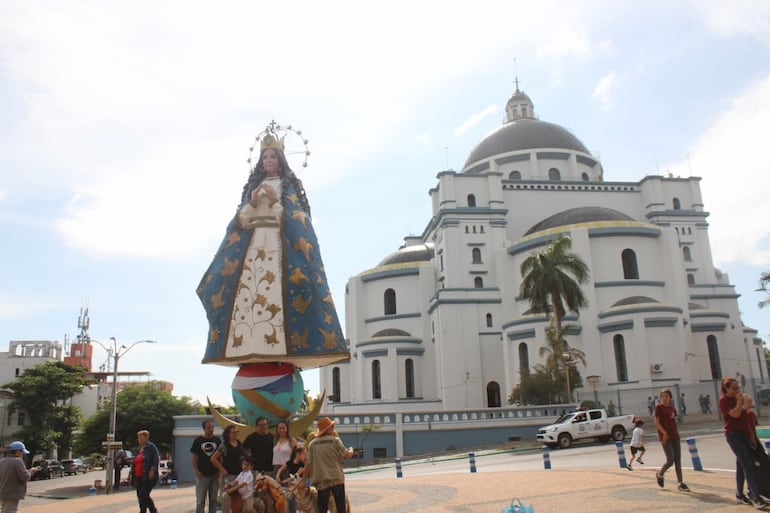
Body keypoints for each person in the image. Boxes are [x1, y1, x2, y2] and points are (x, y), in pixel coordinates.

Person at [719, 376, 767, 508]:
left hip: (744, 434)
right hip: (733, 435)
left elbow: (745, 418)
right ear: (727, 388)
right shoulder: (724, 401)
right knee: (748, 464)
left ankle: (740, 494)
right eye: (734, 388)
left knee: (741, 464)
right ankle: (755, 497)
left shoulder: (738, 398)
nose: (737, 390)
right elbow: (734, 415)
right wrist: (739, 401)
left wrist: (751, 436)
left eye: (738, 387)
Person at [306, 417, 353, 513]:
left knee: (322, 508)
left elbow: (308, 463)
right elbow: (346, 455)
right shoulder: (335, 440)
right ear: (327, 429)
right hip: (336, 478)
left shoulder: (312, 444)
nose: (333, 428)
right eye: (332, 426)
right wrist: (351, 450)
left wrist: (303, 480)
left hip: (322, 481)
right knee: (340, 507)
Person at [654, 388, 689, 491]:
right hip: (665, 437)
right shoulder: (658, 408)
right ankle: (660, 474)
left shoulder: (672, 408)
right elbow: (657, 423)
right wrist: (664, 433)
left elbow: (673, 421)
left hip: (675, 436)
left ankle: (680, 483)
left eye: (666, 396)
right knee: (670, 460)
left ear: (670, 398)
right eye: (663, 396)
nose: (664, 398)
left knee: (678, 460)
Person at [211, 425, 246, 513]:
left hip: (238, 475)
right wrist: (222, 469)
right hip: (227, 475)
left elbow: (245, 456)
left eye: (237, 432)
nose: (236, 434)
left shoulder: (239, 443)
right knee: (226, 498)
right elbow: (213, 459)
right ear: (228, 434)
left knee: (238, 498)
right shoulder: (224, 445)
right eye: (234, 432)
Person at [191, 419, 222, 513]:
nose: (211, 429)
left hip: (214, 474)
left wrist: (220, 469)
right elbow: (194, 457)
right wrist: (196, 471)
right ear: (204, 428)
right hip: (202, 474)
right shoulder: (198, 440)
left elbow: (221, 456)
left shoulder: (217, 440)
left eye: (212, 427)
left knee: (213, 499)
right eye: (208, 428)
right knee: (200, 500)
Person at [0, 441, 36, 512]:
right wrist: (31, 471)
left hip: (2, 493)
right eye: (22, 452)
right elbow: (25, 477)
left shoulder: (2, 461)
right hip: (12, 495)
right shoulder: (18, 461)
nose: (22, 454)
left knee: (5, 510)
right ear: (18, 451)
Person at [134, 429, 160, 513]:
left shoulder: (151, 447)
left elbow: (155, 460)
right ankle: (142, 511)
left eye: (141, 438)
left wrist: (153, 469)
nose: (139, 440)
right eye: (138, 438)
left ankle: (153, 510)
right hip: (138, 476)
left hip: (147, 476)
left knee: (143, 495)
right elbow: (135, 462)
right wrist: (131, 473)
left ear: (146, 438)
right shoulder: (138, 449)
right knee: (140, 496)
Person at [277, 445, 307, 513]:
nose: (305, 456)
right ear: (298, 454)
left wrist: (285, 481)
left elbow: (296, 475)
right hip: (291, 486)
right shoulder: (290, 462)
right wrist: (277, 476)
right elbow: (281, 468)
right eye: (304, 454)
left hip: (299, 486)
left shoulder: (303, 465)